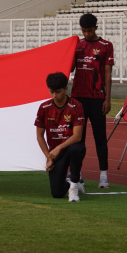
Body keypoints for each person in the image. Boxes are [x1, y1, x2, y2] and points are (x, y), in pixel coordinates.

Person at [71, 13, 114, 189]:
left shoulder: (106, 46)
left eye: (89, 30)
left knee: (100, 138)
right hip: (78, 98)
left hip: (97, 97)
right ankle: (77, 174)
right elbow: (71, 68)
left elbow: (107, 73)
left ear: (96, 28)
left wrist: (107, 99)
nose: (86, 34)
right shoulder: (77, 45)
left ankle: (103, 175)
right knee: (78, 138)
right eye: (83, 31)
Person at [35, 72, 87, 202]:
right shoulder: (44, 108)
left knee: (77, 149)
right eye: (51, 92)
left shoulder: (76, 106)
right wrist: (49, 157)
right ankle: (70, 184)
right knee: (57, 193)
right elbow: (39, 136)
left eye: (58, 92)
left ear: (65, 88)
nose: (54, 96)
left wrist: (58, 148)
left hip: (70, 147)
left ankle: (74, 185)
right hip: (56, 154)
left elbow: (77, 136)